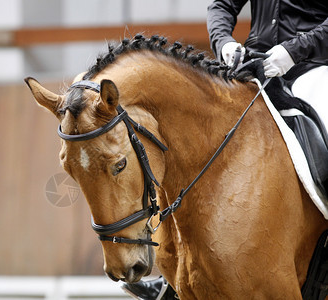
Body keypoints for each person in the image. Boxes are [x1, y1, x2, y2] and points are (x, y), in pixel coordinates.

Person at [123, 1, 327, 299]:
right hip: (254, 64)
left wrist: (293, 51)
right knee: (198, 141)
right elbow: (222, 5)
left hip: (315, 66)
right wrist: (225, 42)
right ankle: (174, 277)